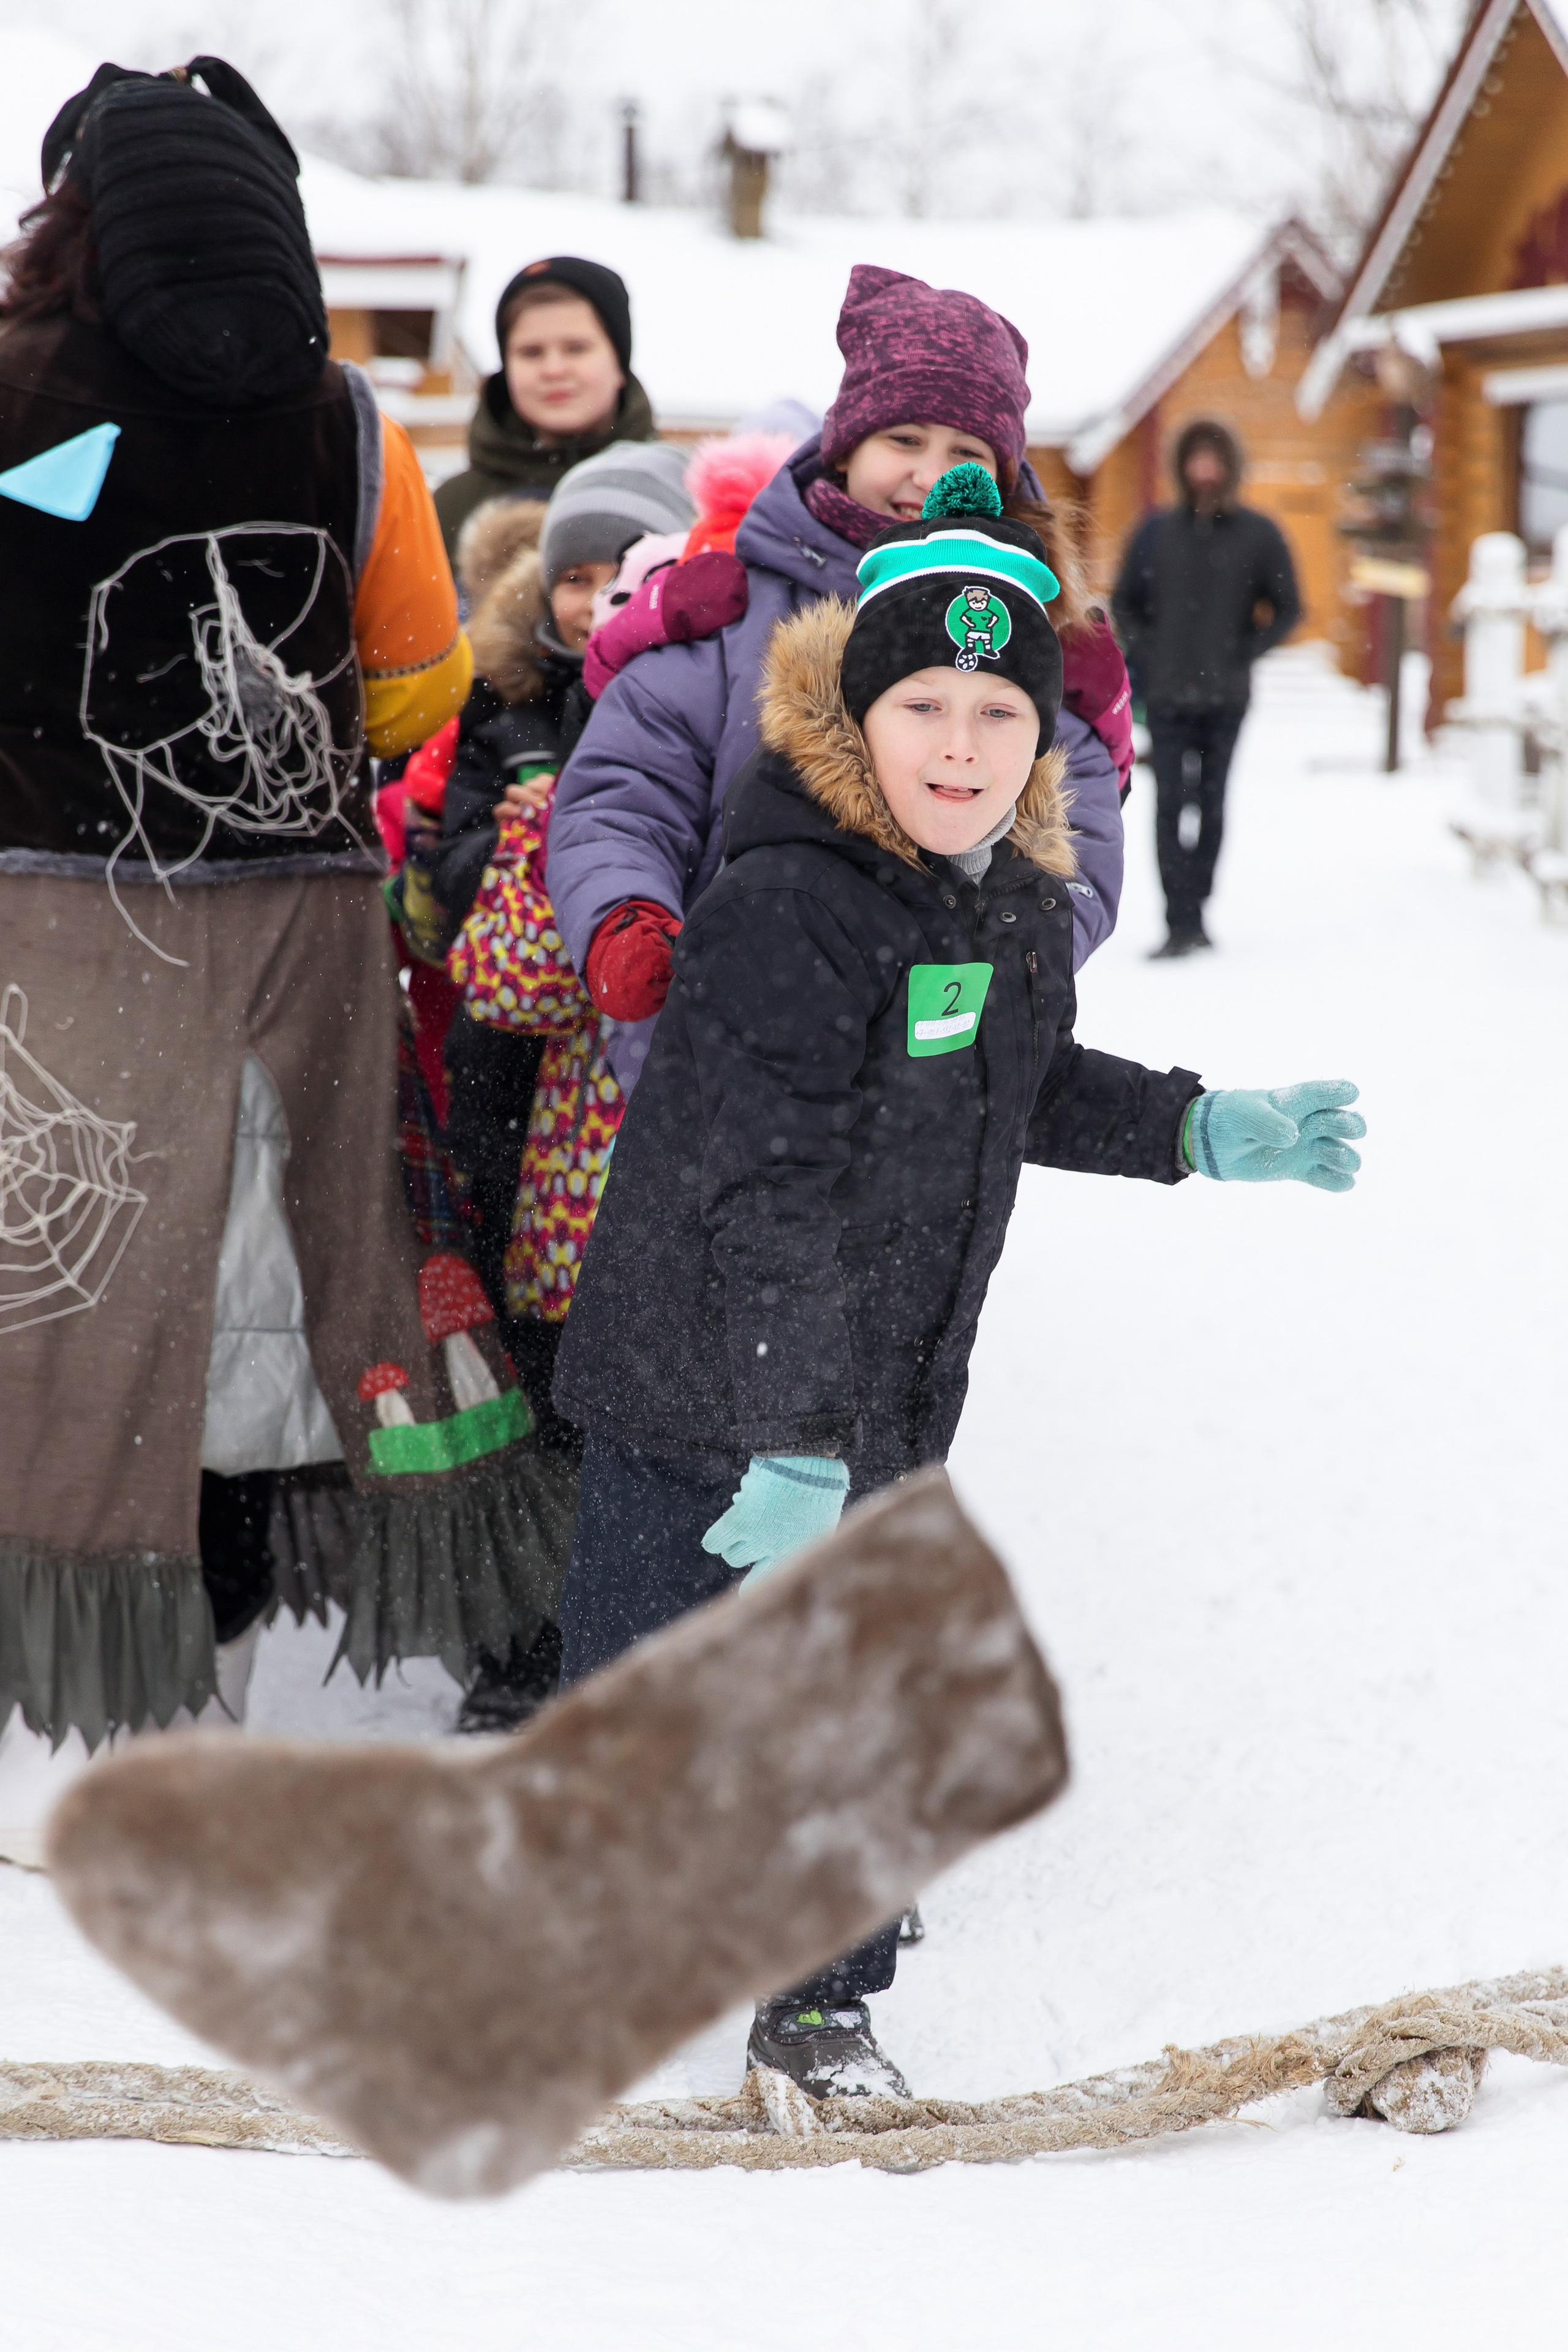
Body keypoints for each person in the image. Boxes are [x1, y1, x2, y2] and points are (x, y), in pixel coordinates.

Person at [550, 467, 1366, 2098]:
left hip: (880, 1386)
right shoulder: (786, 904)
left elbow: (1032, 1081)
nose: (963, 745)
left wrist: (1200, 1128)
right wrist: (785, 1439)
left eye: (1003, 712)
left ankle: (821, 1997)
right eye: (924, 702)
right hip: (694, 1382)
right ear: (862, 715)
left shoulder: (1014, 909)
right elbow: (762, 1188)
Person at [0, 59, 561, 1853]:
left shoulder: (16, 403)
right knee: (266, 1308)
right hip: (297, 940)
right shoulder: (350, 421)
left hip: (64, 934)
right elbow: (419, 686)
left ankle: (78, 1703)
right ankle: (213, 1684)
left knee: (70, 1288)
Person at [546, 264, 1134, 1098]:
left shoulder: (1028, 636)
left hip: (926, 1078)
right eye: (903, 440)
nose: (928, 475)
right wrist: (626, 919)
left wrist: (988, 974)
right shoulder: (736, 610)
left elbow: (1073, 849)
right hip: (714, 1056)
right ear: (847, 443)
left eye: (963, 451)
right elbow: (623, 793)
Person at [390, 441, 694, 1732]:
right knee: (518, 1366)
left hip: (631, 1093)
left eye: (615, 572)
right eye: (571, 575)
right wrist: (516, 851)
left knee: (626, 1371)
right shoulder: (500, 709)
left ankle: (615, 1637)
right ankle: (515, 1639)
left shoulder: (682, 702)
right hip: (504, 1082)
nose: (587, 600)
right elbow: (444, 870)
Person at [1112, 420, 1301, 959]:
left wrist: (1244, 650)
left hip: (1226, 698)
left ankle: (1200, 908)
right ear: (1182, 465)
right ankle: (1178, 921)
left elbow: (1289, 608)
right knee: (1170, 805)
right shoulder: (1155, 532)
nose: (1204, 469)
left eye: (1213, 458)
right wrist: (1149, 649)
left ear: (1229, 466)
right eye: (1195, 458)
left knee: (1212, 804)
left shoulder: (1259, 535)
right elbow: (1124, 602)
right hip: (1169, 697)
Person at [433, 257, 657, 565]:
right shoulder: (451, 508)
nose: (553, 370)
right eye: (531, 353)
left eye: (576, 348)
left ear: (619, 364)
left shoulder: (677, 492)